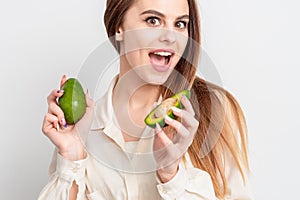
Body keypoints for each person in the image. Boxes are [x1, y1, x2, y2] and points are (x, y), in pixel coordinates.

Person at [39, 0, 253, 199]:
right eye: (153, 20)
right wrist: (72, 155)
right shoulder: (83, 131)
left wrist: (171, 175)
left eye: (180, 24)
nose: (170, 36)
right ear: (119, 28)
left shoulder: (215, 110)